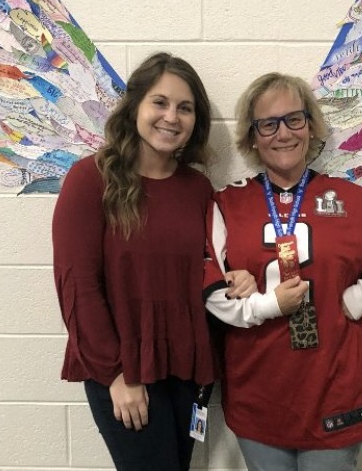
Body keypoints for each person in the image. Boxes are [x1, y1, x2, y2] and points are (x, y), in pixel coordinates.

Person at [204, 72, 362, 471]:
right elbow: (207, 284)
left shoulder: (353, 200)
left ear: (310, 126)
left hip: (336, 387)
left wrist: (359, 297)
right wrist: (256, 298)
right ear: (252, 137)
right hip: (260, 388)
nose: (283, 133)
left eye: (294, 119)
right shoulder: (227, 203)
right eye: (268, 124)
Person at [52, 52, 254, 471]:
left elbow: (206, 266)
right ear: (135, 107)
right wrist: (115, 375)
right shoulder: (90, 179)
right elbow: (78, 286)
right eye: (160, 102)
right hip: (123, 369)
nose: (172, 117)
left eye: (185, 107)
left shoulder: (197, 188)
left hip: (186, 366)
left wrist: (237, 278)